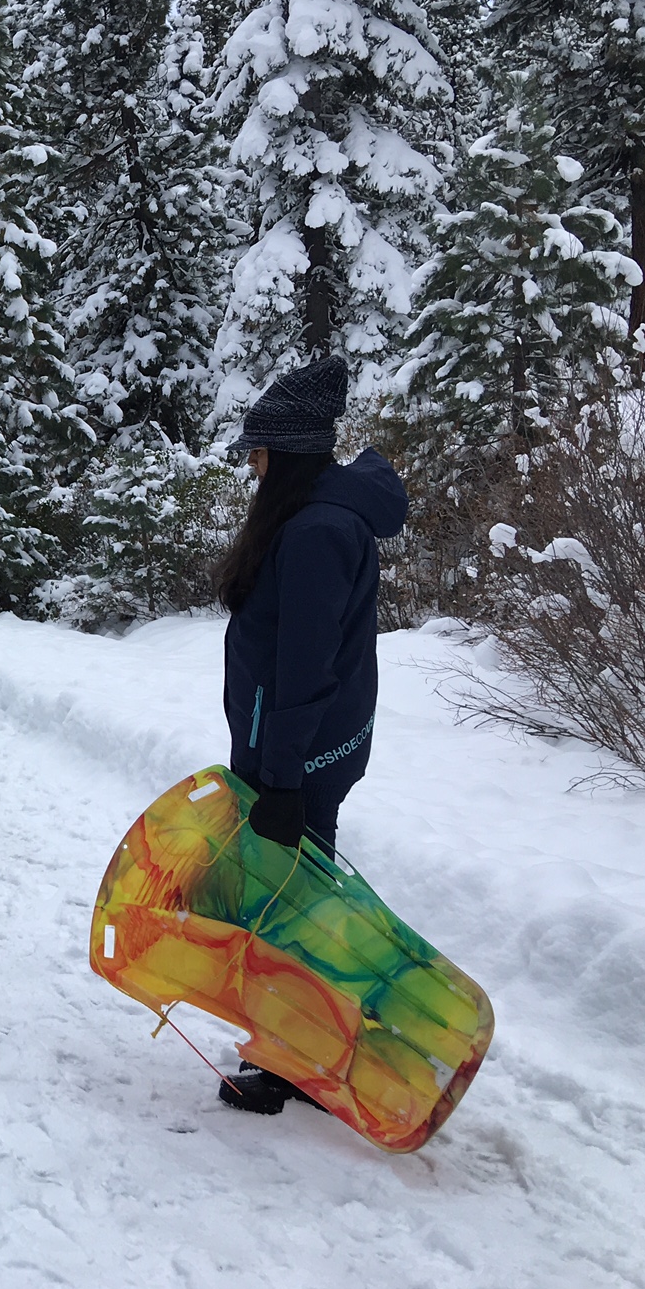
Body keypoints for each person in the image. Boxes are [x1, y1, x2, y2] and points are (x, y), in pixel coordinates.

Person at [210, 354, 408, 1115]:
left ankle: (301, 1059)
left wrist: (284, 780)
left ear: (287, 454)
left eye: (259, 453)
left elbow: (305, 668)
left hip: (301, 758)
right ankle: (300, 1045)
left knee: (292, 906)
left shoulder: (319, 530)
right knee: (290, 898)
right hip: (294, 751)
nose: (252, 467)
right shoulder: (309, 518)